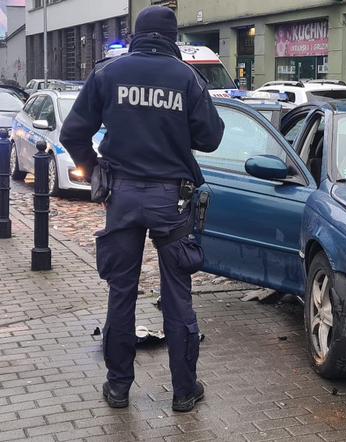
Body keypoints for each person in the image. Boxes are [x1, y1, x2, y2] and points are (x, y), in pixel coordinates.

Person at [60, 6, 224, 412]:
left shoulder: (108, 73)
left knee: (122, 292)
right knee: (178, 296)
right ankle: (185, 391)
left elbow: (72, 133)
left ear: (136, 35)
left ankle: (118, 388)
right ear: (172, 38)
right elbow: (211, 139)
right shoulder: (186, 78)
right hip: (171, 199)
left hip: (123, 196)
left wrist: (93, 168)